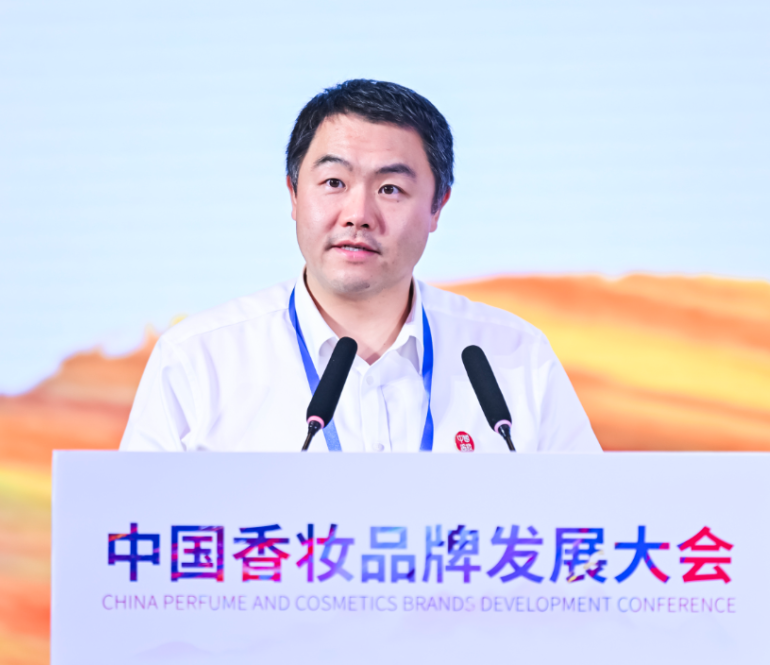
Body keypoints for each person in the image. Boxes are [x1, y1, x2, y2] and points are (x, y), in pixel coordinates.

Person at [120, 79, 599, 453]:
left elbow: (589, 526)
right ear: (293, 195)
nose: (358, 215)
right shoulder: (198, 361)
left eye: (390, 189)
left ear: (438, 207)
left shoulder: (515, 358)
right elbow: (131, 534)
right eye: (334, 182)